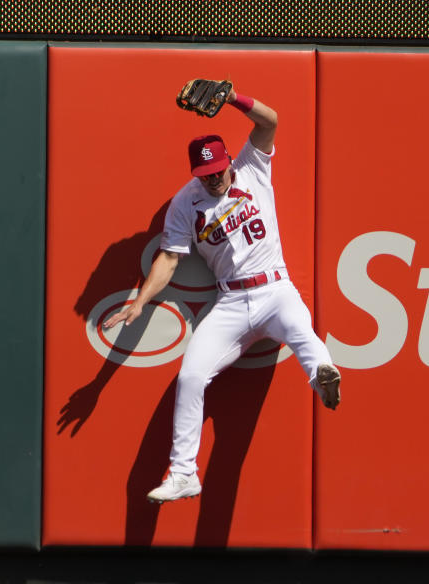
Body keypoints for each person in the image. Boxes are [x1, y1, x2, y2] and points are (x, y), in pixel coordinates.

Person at [103, 83, 341, 503]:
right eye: (204, 174)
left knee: (303, 334)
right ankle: (183, 474)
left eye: (218, 170)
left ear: (230, 160)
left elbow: (271, 121)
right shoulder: (185, 203)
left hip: (274, 287)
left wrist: (234, 99)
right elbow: (169, 259)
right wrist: (140, 302)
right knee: (191, 376)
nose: (213, 179)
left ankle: (324, 377)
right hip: (230, 302)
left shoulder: (252, 167)